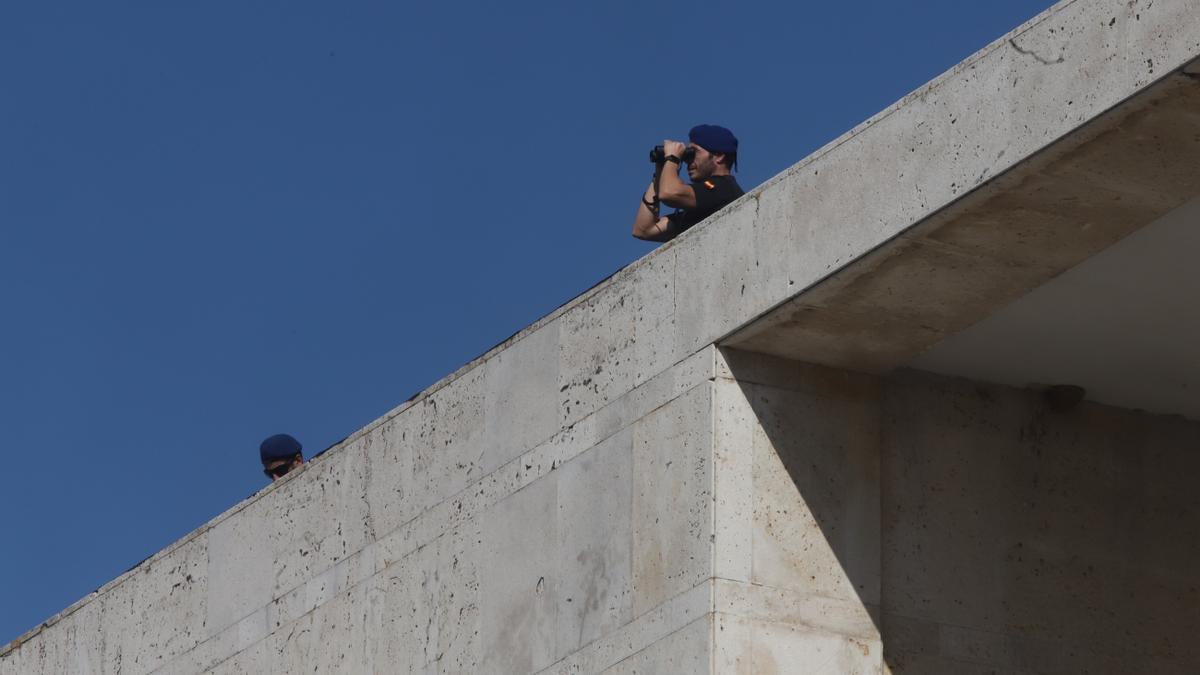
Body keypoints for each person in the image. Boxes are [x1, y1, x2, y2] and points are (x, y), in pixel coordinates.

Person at [632, 124, 744, 243]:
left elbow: (668, 194)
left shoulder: (724, 188)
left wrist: (672, 159)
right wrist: (659, 172)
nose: (687, 160)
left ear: (719, 156)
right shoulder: (704, 204)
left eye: (694, 152)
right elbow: (643, 229)